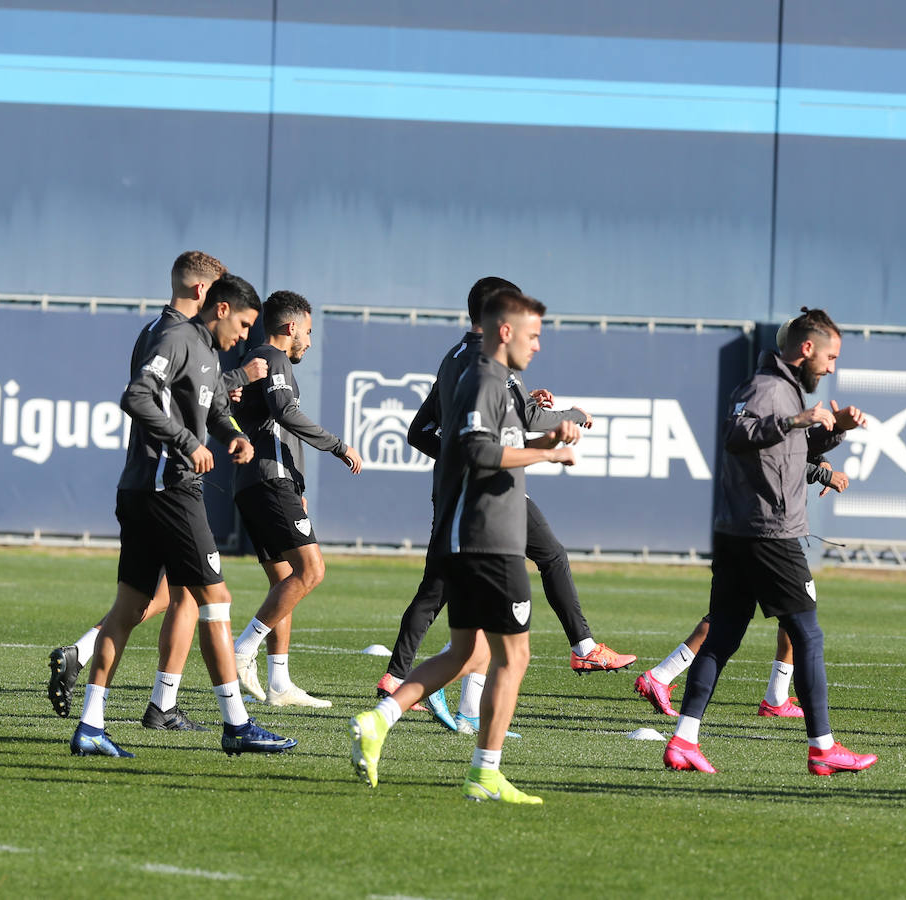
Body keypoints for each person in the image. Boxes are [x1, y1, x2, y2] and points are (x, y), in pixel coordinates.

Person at [350, 289, 576, 804]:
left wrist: (544, 443)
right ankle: (484, 772)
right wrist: (546, 455)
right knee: (513, 656)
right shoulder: (483, 377)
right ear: (504, 331)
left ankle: (379, 719)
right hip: (486, 539)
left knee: (469, 651)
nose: (538, 346)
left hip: (479, 536)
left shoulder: (495, 380)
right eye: (533, 335)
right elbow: (476, 451)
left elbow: (487, 445)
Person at [381, 276, 634, 733]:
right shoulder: (482, 367)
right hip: (488, 507)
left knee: (460, 621)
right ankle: (577, 653)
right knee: (507, 644)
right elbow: (484, 444)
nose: (535, 343)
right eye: (531, 332)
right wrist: (558, 436)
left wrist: (528, 427)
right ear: (502, 322)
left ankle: (405, 699)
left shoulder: (458, 360)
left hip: (474, 498)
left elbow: (438, 433)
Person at [70, 274, 295, 758]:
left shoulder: (206, 349)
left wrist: (231, 434)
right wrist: (188, 443)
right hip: (167, 488)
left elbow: (211, 406)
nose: (244, 336)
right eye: (243, 324)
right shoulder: (176, 337)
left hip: (145, 489)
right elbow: (136, 396)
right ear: (219, 308)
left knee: (130, 609)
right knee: (215, 598)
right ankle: (236, 723)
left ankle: (90, 725)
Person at [663, 307, 876, 776]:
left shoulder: (784, 390)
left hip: (740, 530)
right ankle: (823, 747)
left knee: (723, 635)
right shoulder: (767, 387)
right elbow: (735, 434)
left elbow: (790, 450)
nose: (832, 366)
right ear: (806, 349)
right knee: (808, 634)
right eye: (830, 356)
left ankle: (683, 740)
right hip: (768, 532)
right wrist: (795, 420)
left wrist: (835, 427)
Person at [230, 290, 363, 708]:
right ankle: (241, 651)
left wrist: (298, 489)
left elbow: (267, 419)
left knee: (284, 582)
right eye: (307, 330)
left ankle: (279, 684)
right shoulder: (276, 358)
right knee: (311, 571)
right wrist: (339, 446)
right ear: (291, 328)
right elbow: (286, 413)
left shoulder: (258, 362)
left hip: (257, 483)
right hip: (271, 481)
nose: (309, 339)